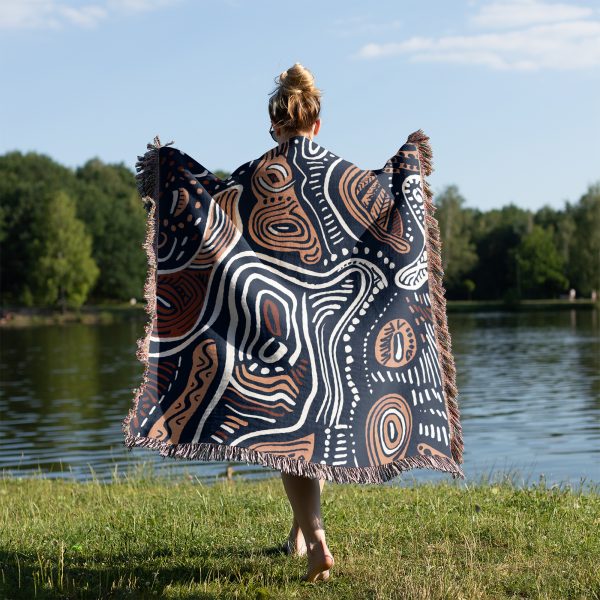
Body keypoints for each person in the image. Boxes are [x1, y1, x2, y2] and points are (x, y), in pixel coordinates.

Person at [268, 62, 334, 583]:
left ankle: (316, 541)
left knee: (288, 437)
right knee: (310, 433)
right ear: (316, 123)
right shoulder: (340, 175)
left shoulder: (261, 174)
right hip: (330, 324)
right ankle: (298, 532)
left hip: (278, 324)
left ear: (275, 126)